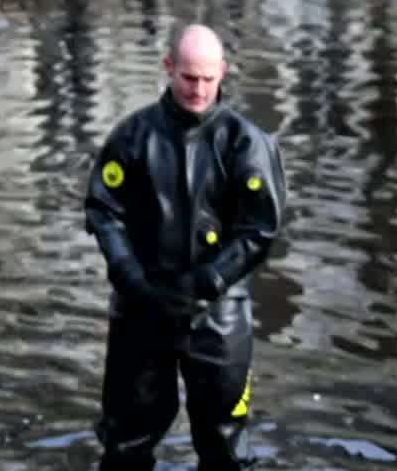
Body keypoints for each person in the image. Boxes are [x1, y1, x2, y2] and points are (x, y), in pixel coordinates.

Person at [85, 25, 288, 471]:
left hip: (217, 313)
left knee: (224, 448)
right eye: (188, 78)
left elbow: (261, 227)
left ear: (223, 73)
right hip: (142, 308)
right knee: (125, 443)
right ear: (169, 67)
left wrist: (212, 277)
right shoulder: (133, 136)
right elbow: (103, 208)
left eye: (207, 79)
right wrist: (128, 272)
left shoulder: (246, 143)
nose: (198, 89)